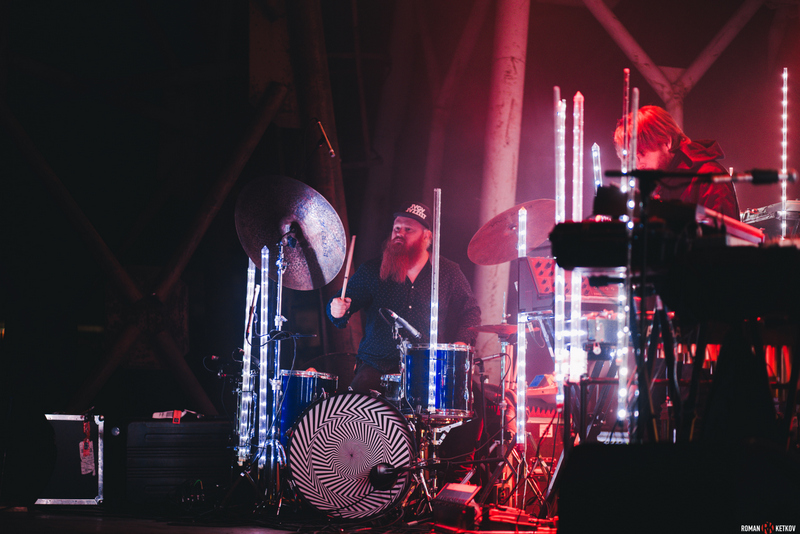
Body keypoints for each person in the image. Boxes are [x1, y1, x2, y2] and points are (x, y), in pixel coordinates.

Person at [327, 201, 481, 393]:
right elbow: (342, 302)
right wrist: (337, 310)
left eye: (408, 229)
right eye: (397, 228)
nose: (400, 233)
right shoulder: (372, 270)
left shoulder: (448, 272)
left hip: (428, 366)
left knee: (469, 399)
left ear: (427, 236)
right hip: (376, 364)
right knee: (357, 406)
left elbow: (471, 311)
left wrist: (461, 342)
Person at [613, 105, 740, 218]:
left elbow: (723, 235)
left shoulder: (710, 178)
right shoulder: (661, 185)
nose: (638, 165)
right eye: (632, 159)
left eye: (642, 153)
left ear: (667, 142)